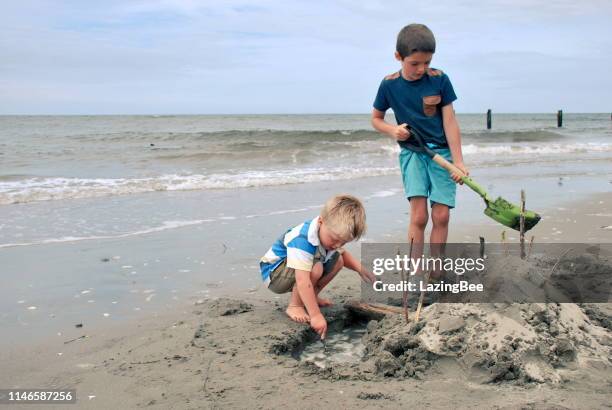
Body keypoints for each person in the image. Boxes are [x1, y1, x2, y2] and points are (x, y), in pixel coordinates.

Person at [371, 23, 468, 267]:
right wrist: (393, 130)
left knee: (441, 215)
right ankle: (415, 271)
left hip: (442, 154)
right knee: (420, 216)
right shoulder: (389, 84)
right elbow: (376, 119)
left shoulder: (440, 79)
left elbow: (450, 120)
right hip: (412, 154)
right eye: (414, 63)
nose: (421, 69)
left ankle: (436, 270)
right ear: (398, 57)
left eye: (426, 62)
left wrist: (458, 162)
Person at [259, 194, 375, 339]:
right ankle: (295, 305)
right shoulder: (303, 238)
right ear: (321, 221)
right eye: (335, 239)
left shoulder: (329, 234)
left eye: (343, 242)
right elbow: (302, 280)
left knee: (338, 260)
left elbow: (343, 255)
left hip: (297, 270)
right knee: (316, 267)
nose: (338, 245)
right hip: (274, 274)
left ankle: (311, 297)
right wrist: (315, 315)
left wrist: (361, 270)